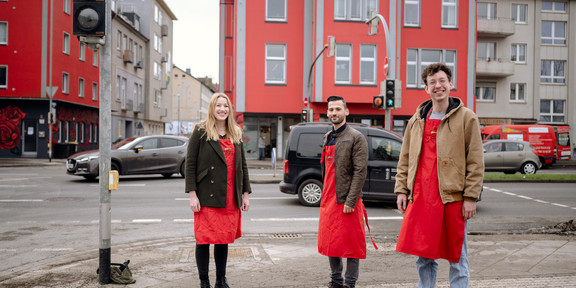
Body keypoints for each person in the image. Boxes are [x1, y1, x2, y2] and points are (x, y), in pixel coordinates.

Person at [394, 63, 484, 288]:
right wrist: (401, 190)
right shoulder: (416, 120)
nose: (438, 86)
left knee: (457, 257)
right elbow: (405, 158)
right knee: (424, 256)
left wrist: (471, 197)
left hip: (452, 199)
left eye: (442, 81)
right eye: (432, 82)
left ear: (451, 84)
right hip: (422, 198)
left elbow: (476, 160)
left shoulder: (467, 118)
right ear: (426, 88)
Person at [185, 93, 252, 288]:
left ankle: (220, 280)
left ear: (229, 109)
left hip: (230, 195)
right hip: (207, 194)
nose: (222, 109)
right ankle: (204, 281)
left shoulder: (236, 132)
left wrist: (245, 194)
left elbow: (243, 167)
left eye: (225, 106)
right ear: (212, 108)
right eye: (218, 106)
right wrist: (192, 194)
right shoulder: (201, 130)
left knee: (223, 240)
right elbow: (190, 164)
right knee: (204, 240)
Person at [318, 95, 373, 288]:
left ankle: (349, 284)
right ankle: (336, 281)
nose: (334, 113)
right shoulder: (328, 137)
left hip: (347, 200)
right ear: (327, 113)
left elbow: (360, 171)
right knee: (331, 243)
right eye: (331, 110)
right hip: (328, 199)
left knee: (351, 246)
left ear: (346, 112)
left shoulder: (356, 137)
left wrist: (350, 201)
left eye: (338, 109)